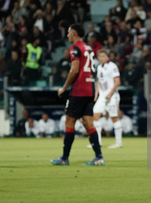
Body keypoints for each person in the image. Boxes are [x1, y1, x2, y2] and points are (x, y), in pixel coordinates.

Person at [50, 24, 104, 166]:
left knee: (69, 121)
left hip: (79, 90)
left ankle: (64, 158)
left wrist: (64, 87)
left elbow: (74, 70)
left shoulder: (75, 48)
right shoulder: (89, 48)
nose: (67, 35)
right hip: (89, 89)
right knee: (88, 122)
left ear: (73, 33)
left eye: (68, 32)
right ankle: (99, 157)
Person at [90, 49, 122, 149]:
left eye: (104, 56)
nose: (102, 58)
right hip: (102, 97)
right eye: (100, 56)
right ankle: (97, 142)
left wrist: (110, 93)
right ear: (98, 58)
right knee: (94, 117)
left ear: (107, 57)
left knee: (114, 118)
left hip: (112, 97)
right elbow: (99, 82)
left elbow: (117, 82)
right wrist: (96, 94)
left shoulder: (112, 66)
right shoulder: (99, 67)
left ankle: (118, 142)